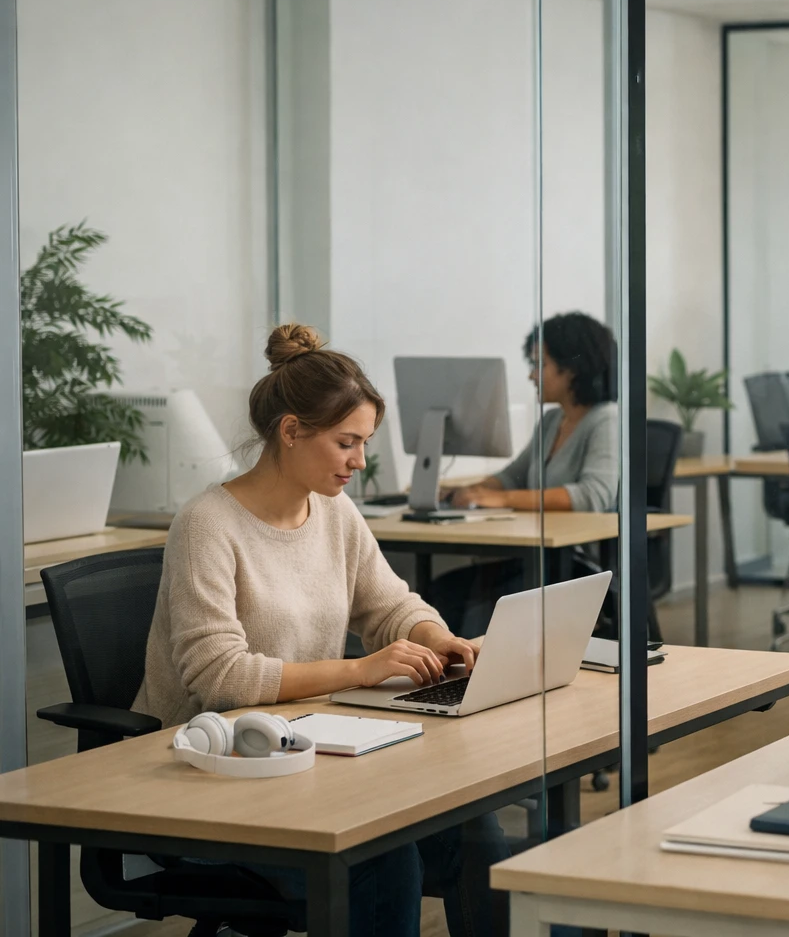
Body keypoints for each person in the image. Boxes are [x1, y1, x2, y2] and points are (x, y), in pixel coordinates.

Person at [133, 324, 510, 937]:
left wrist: (435, 637)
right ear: (291, 431)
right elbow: (220, 680)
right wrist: (362, 670)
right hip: (217, 774)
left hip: (311, 755)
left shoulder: (333, 510)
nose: (360, 462)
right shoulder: (207, 526)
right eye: (347, 443)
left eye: (363, 443)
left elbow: (387, 604)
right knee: (381, 859)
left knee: (471, 827)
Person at [437, 311, 619, 635]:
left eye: (540, 365)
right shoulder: (552, 422)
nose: (532, 376)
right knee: (443, 592)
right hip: (539, 556)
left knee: (478, 603)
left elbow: (593, 495)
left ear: (572, 368)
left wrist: (499, 498)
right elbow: (511, 477)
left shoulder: (607, 420)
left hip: (578, 563)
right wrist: (467, 490)